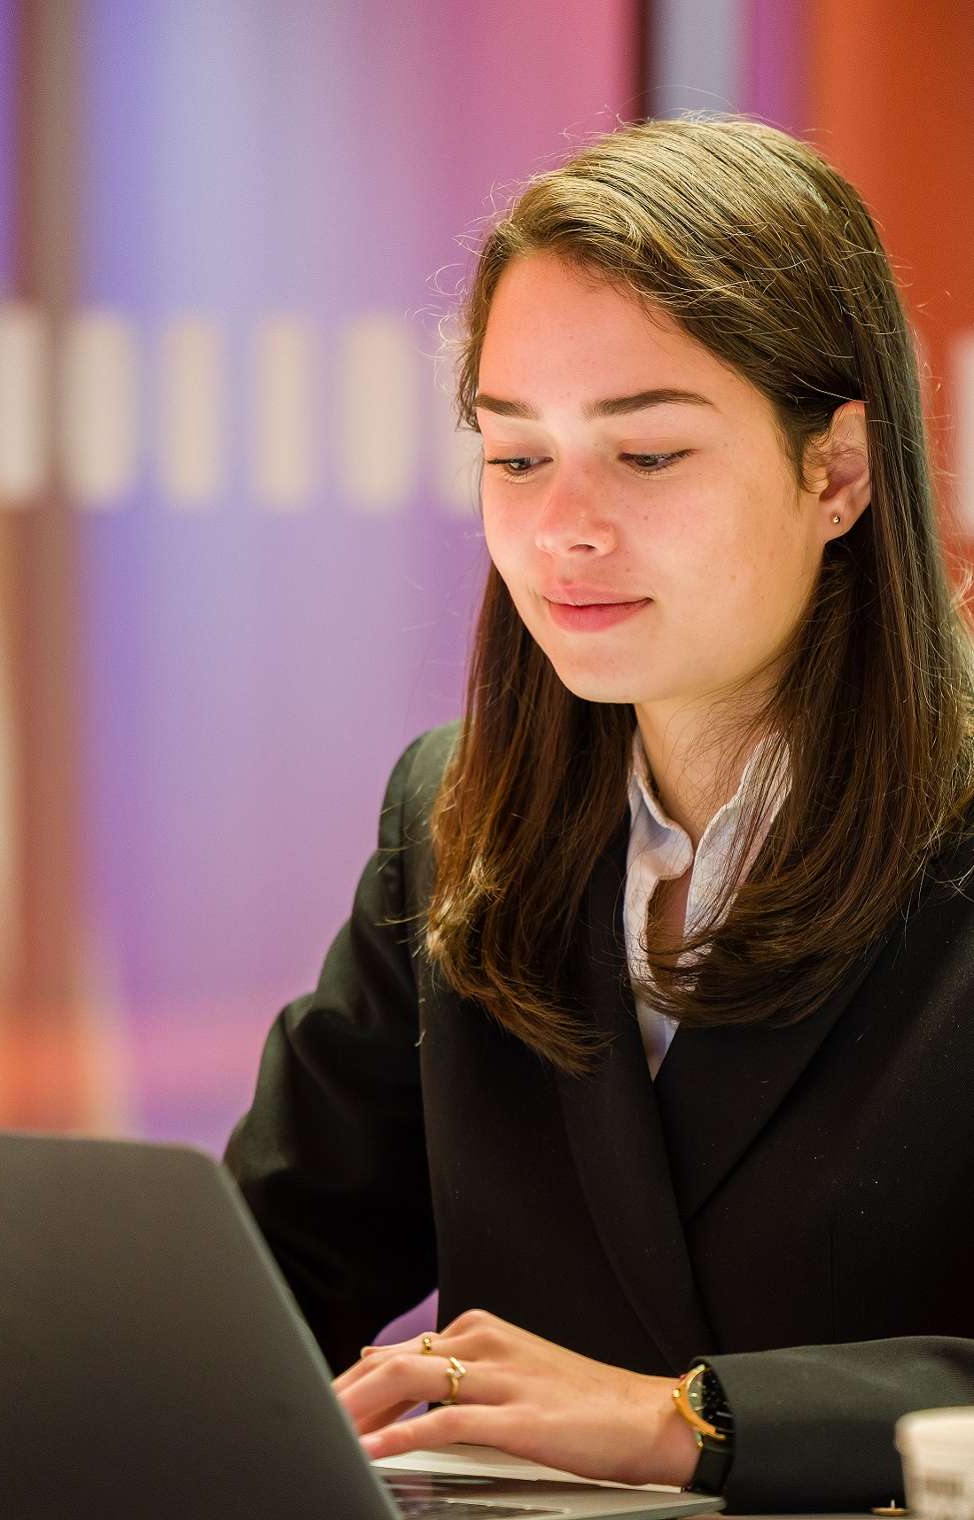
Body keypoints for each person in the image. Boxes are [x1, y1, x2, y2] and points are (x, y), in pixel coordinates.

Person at [224, 113, 974, 1514]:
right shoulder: (454, 818)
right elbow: (267, 1272)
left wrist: (687, 1421)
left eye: (644, 458)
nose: (562, 526)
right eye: (515, 458)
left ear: (837, 473)